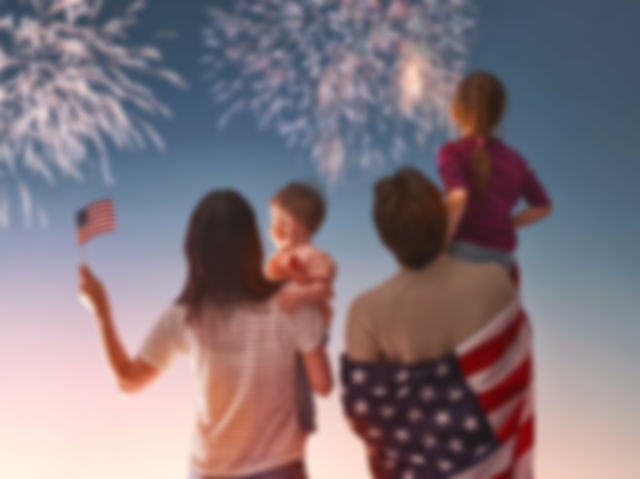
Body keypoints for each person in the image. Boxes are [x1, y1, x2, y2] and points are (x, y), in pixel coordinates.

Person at [79, 189, 333, 479]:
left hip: (212, 470)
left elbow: (128, 381)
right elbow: (322, 385)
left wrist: (101, 311)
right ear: (253, 243)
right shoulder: (293, 305)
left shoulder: (185, 316)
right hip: (281, 466)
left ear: (194, 249)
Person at [343, 168, 535, 478]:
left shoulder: (366, 312)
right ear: (441, 217)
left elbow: (365, 415)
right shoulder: (496, 281)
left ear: (384, 236)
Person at [439, 71, 552, 270]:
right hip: (502, 258)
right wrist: (507, 222)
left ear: (455, 111)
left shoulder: (452, 152)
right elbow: (543, 206)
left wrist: (439, 247)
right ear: (499, 115)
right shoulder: (515, 160)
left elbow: (458, 197)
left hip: (462, 251)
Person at [266, 181, 337, 433]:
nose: (274, 228)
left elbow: (323, 289)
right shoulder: (284, 254)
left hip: (306, 330)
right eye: (273, 221)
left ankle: (303, 419)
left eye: (281, 220)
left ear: (298, 222)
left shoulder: (313, 255)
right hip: (285, 332)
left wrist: (297, 296)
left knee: (299, 379)